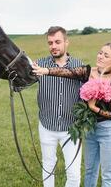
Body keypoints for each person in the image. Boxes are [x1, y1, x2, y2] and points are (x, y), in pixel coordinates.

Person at [33, 41, 111, 187]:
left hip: (108, 131)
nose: (100, 56)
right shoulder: (88, 72)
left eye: (106, 55)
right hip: (90, 130)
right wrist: (46, 71)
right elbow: (69, 72)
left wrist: (93, 108)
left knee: (108, 175)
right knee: (90, 170)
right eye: (100, 52)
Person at [35, 26, 85, 187]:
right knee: (48, 166)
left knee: (74, 174)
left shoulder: (79, 65)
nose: (53, 46)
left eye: (57, 42)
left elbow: (87, 95)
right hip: (47, 126)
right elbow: (21, 84)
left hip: (71, 128)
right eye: (50, 43)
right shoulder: (40, 64)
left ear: (66, 42)